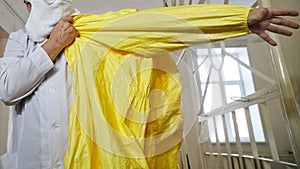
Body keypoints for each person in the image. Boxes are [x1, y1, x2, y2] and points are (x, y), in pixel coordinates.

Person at [0, 0, 298, 169]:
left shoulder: (97, 30)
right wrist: (52, 46)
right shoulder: (18, 42)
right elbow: (7, 89)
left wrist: (240, 20)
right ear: (28, 4)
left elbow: (164, 23)